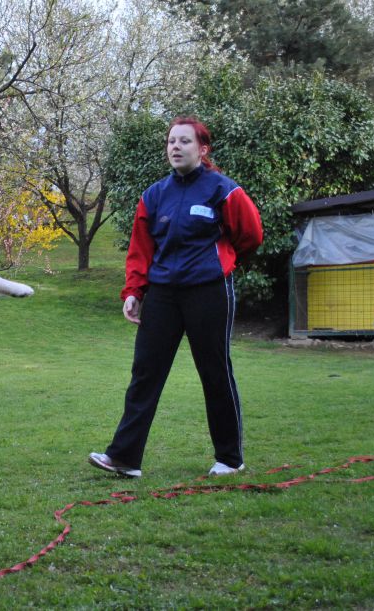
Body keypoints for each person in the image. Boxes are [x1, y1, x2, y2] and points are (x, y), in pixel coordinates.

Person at [89, 116, 263, 479]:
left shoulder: (224, 190)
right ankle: (125, 458)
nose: (176, 147)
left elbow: (251, 235)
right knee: (145, 374)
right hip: (164, 295)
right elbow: (140, 250)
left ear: (202, 149)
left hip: (209, 292)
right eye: (171, 142)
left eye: (184, 141)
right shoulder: (154, 196)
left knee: (215, 372)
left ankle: (230, 459)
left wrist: (223, 265)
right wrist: (134, 292)